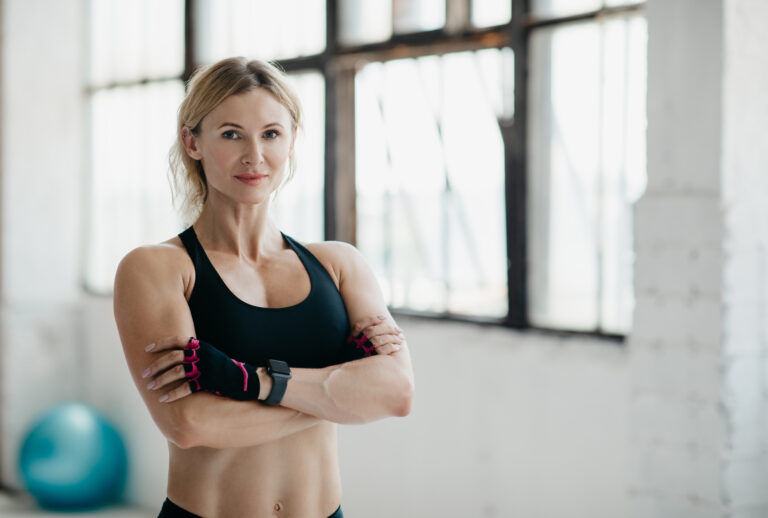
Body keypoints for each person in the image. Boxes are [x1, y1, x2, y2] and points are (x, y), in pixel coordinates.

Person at [113, 56, 415, 518]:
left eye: (271, 134)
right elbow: (189, 423)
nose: (255, 155)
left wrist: (247, 381)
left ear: (291, 141)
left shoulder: (338, 264)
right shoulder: (158, 268)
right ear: (191, 141)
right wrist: (342, 394)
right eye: (231, 134)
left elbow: (396, 394)